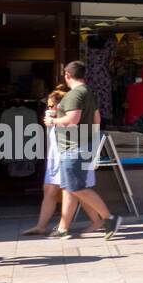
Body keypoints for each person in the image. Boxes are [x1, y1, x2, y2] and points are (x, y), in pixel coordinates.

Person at [44, 61, 121, 240]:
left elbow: (72, 119)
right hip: (81, 146)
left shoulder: (73, 95)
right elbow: (96, 118)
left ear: (68, 75)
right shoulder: (88, 92)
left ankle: (110, 218)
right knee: (70, 188)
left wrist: (53, 121)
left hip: (73, 148)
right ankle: (63, 228)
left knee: (77, 188)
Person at [21, 85, 103, 237]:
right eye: (48, 105)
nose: (49, 108)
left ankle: (73, 226)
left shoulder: (71, 116)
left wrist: (54, 121)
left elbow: (80, 129)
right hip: (57, 157)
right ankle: (41, 225)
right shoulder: (58, 118)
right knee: (51, 189)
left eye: (52, 105)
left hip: (70, 156)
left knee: (76, 190)